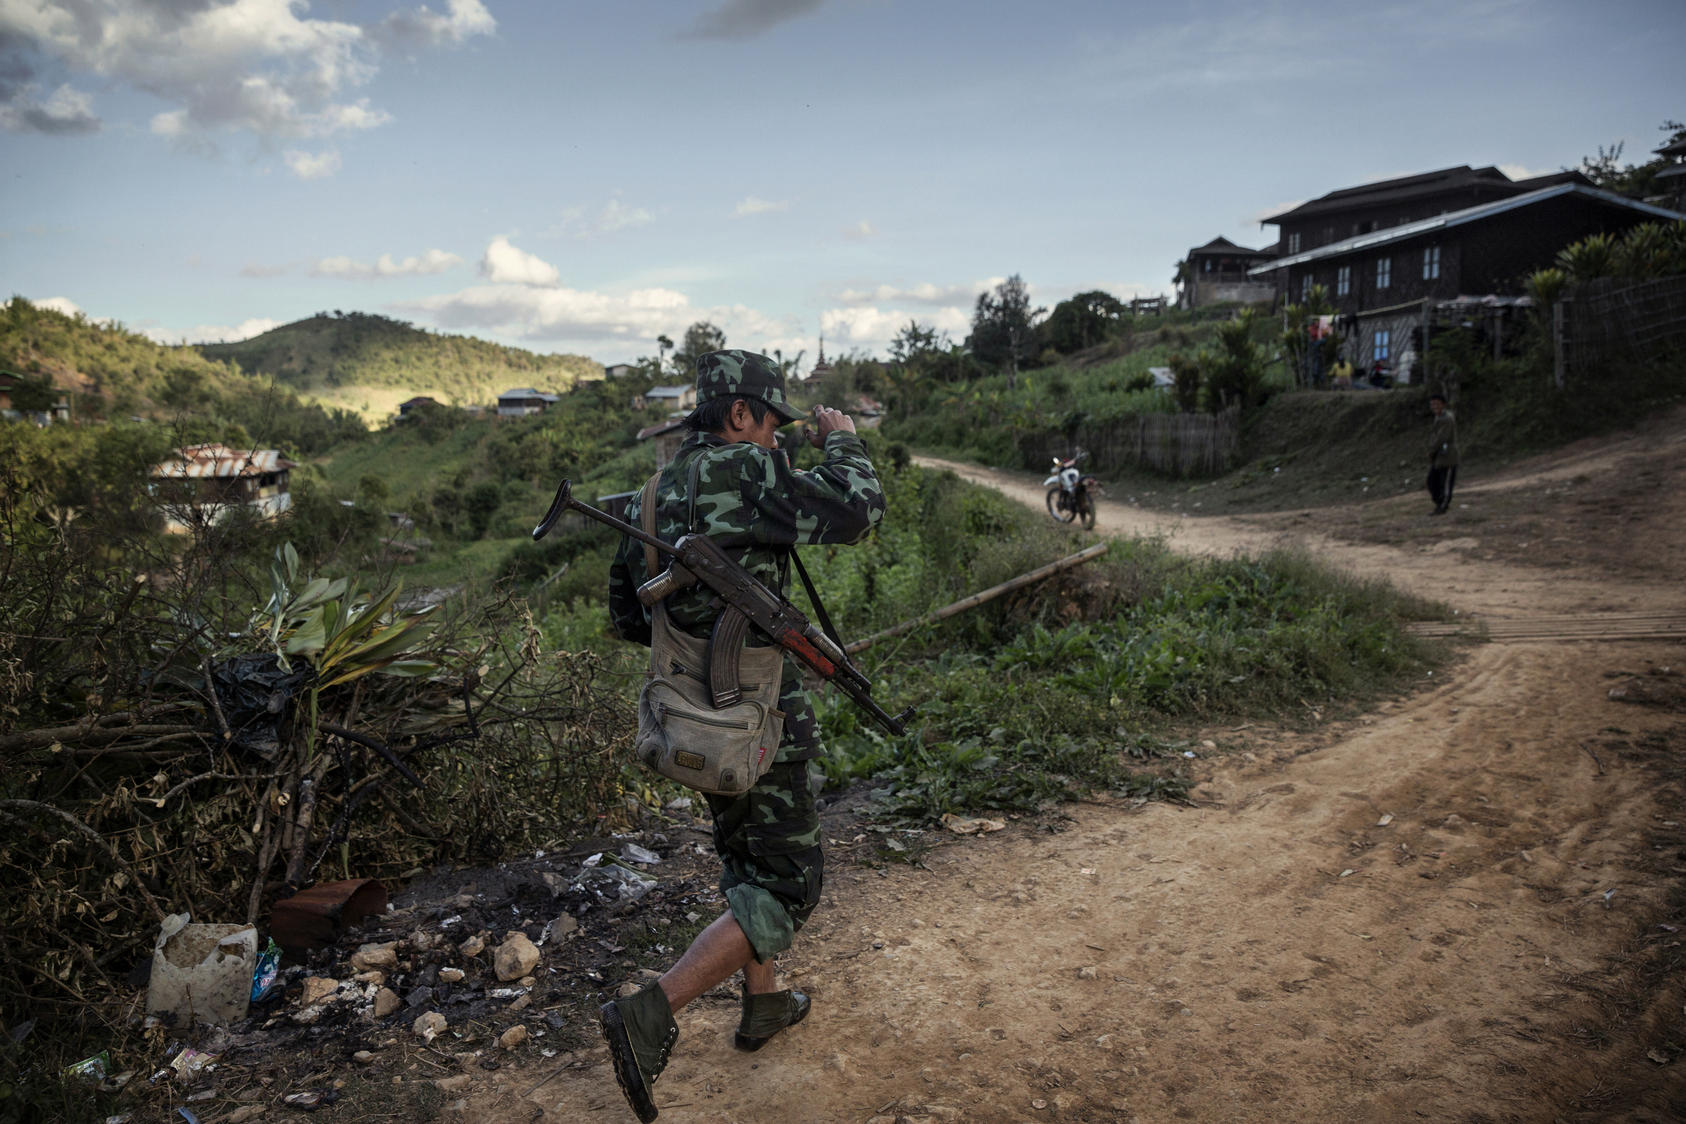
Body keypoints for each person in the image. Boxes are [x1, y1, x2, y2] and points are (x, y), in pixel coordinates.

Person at [600, 349, 885, 1122]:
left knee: (744, 857)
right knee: (789, 883)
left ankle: (763, 1005)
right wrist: (843, 440)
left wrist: (702, 621)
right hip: (760, 714)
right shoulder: (746, 474)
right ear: (738, 416)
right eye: (770, 424)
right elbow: (858, 510)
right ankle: (651, 1009)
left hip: (690, 717)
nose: (773, 439)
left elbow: (629, 618)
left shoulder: (651, 495)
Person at [1426, 392, 1459, 515]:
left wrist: (1431, 450)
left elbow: (1441, 438)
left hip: (1448, 456)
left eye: (1437, 404)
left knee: (1445, 483)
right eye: (1432, 404)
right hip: (1438, 456)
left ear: (1443, 405)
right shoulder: (1438, 417)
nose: (1434, 407)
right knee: (1432, 481)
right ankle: (1439, 502)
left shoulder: (1446, 418)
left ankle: (1443, 506)